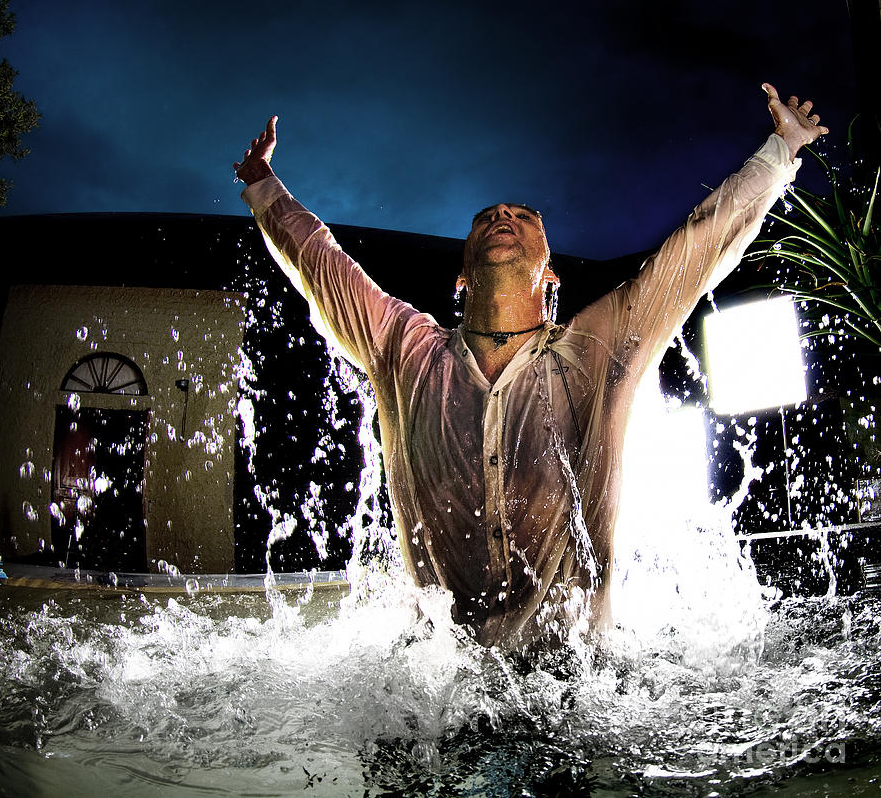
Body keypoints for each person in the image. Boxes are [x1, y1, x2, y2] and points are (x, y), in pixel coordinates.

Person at [234, 84, 827, 650]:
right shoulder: (404, 350)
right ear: (462, 275)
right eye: (487, 216)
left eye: (523, 216)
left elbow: (698, 247)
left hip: (574, 682)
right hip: (438, 683)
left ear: (551, 275)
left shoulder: (598, 349)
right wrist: (263, 185)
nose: (503, 218)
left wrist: (780, 152)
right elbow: (322, 263)